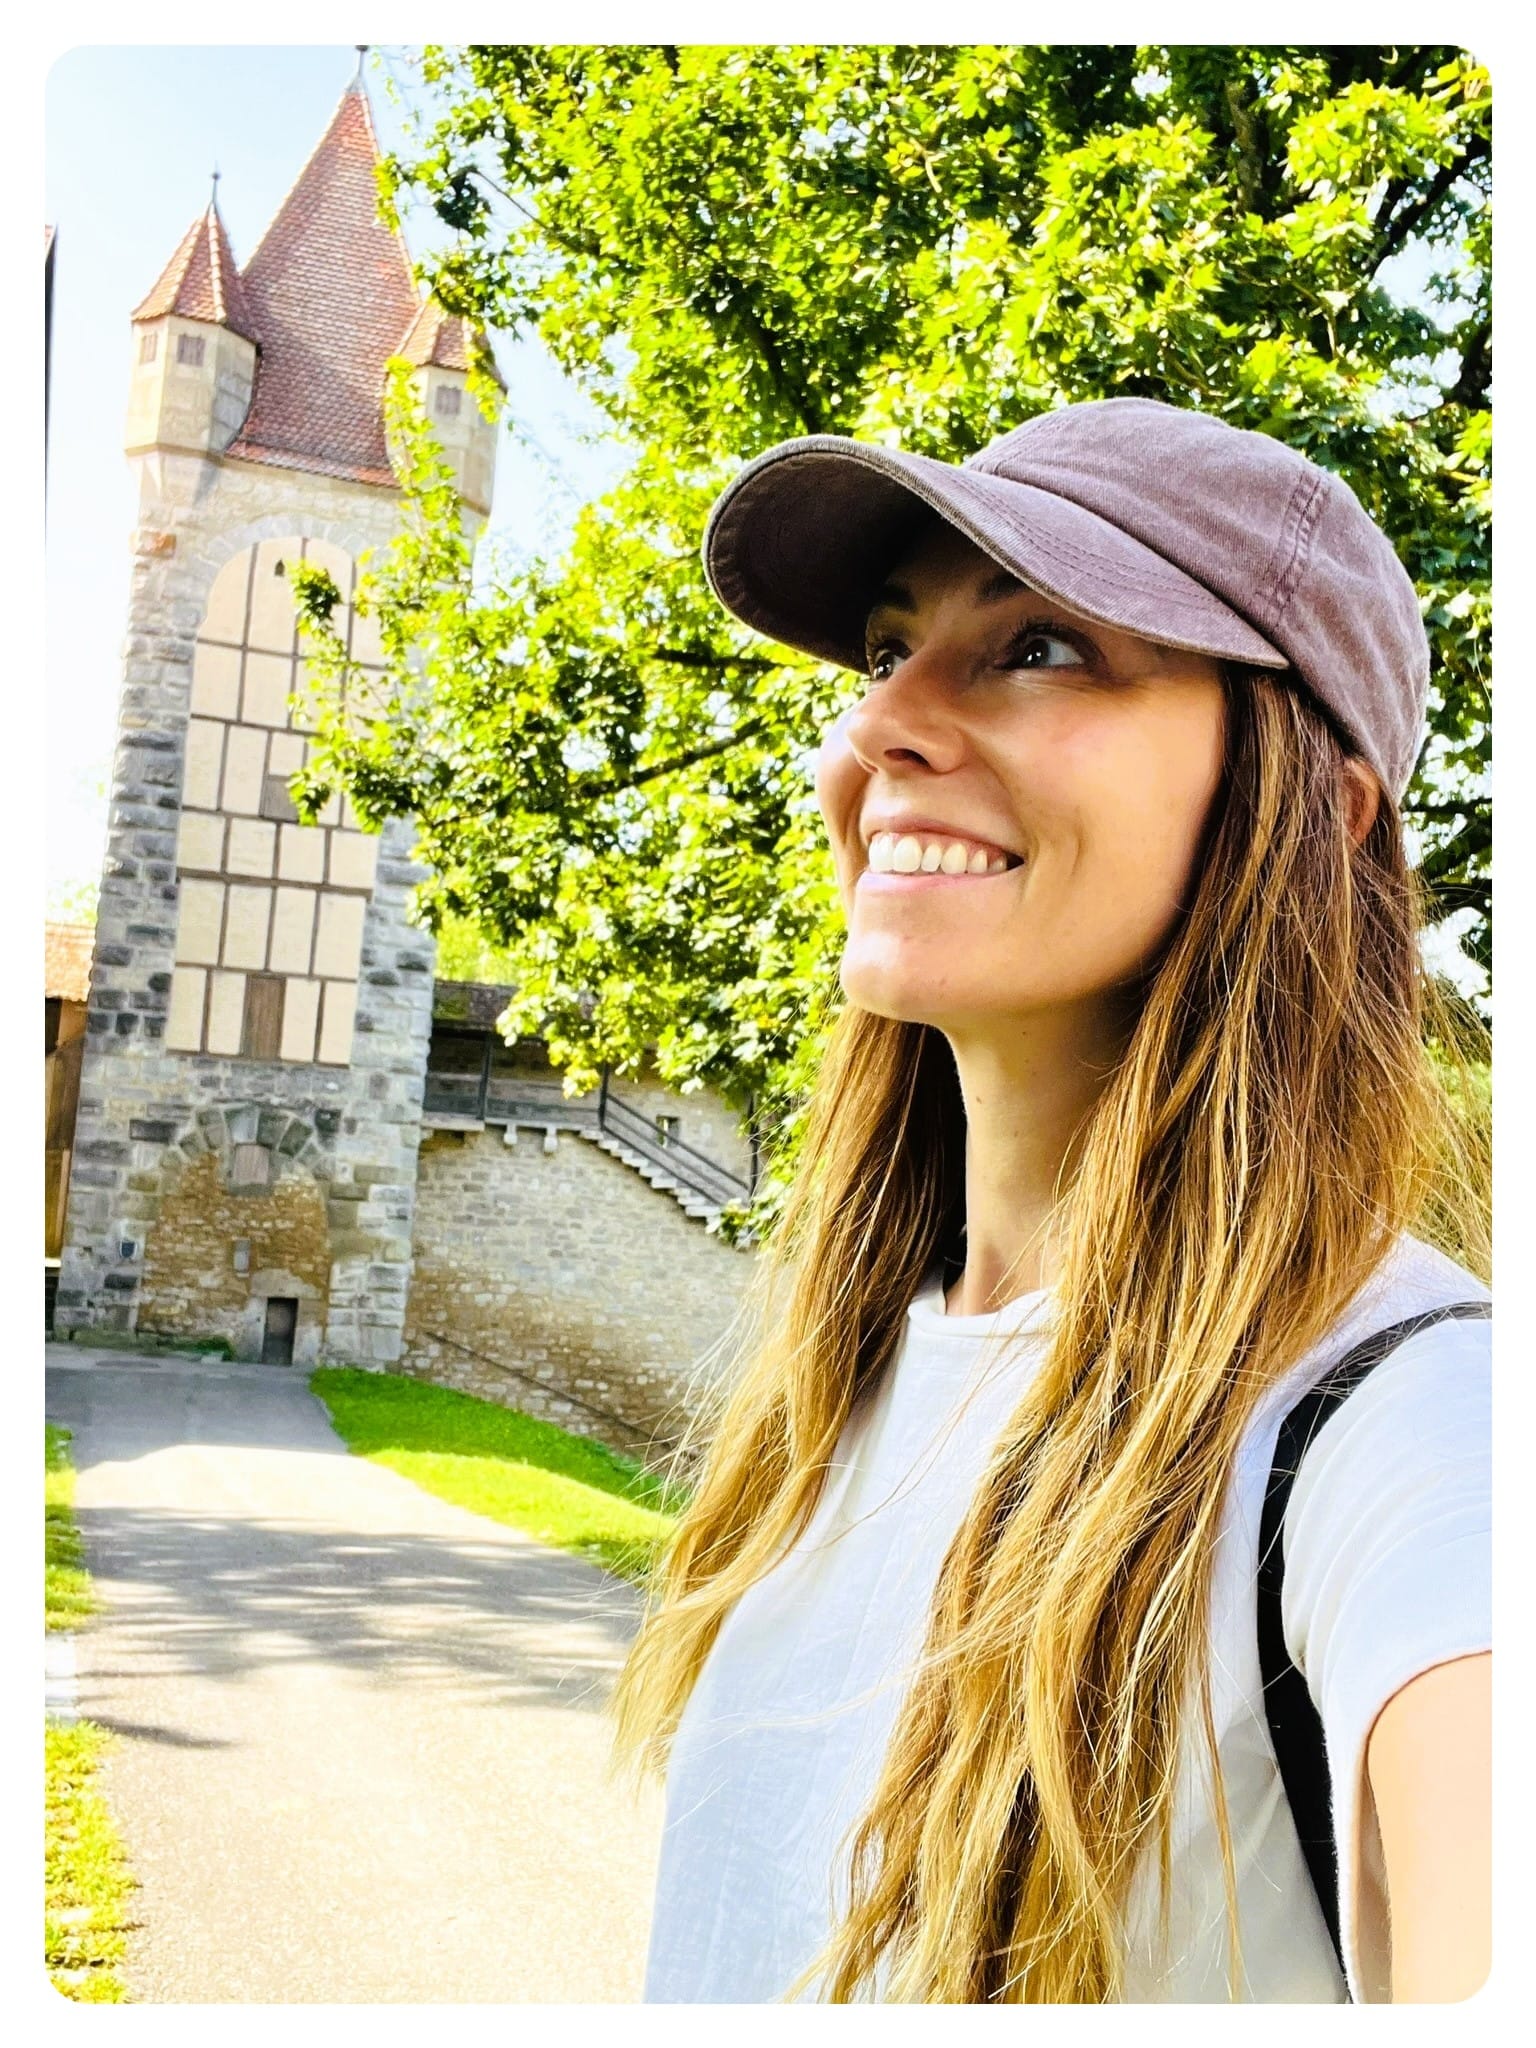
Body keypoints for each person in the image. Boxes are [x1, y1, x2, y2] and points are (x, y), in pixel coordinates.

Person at [607, 399, 1492, 2004]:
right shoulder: (844, 1380)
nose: (886, 728)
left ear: (1319, 810)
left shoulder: (1412, 1429)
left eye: (1043, 650)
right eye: (887, 648)